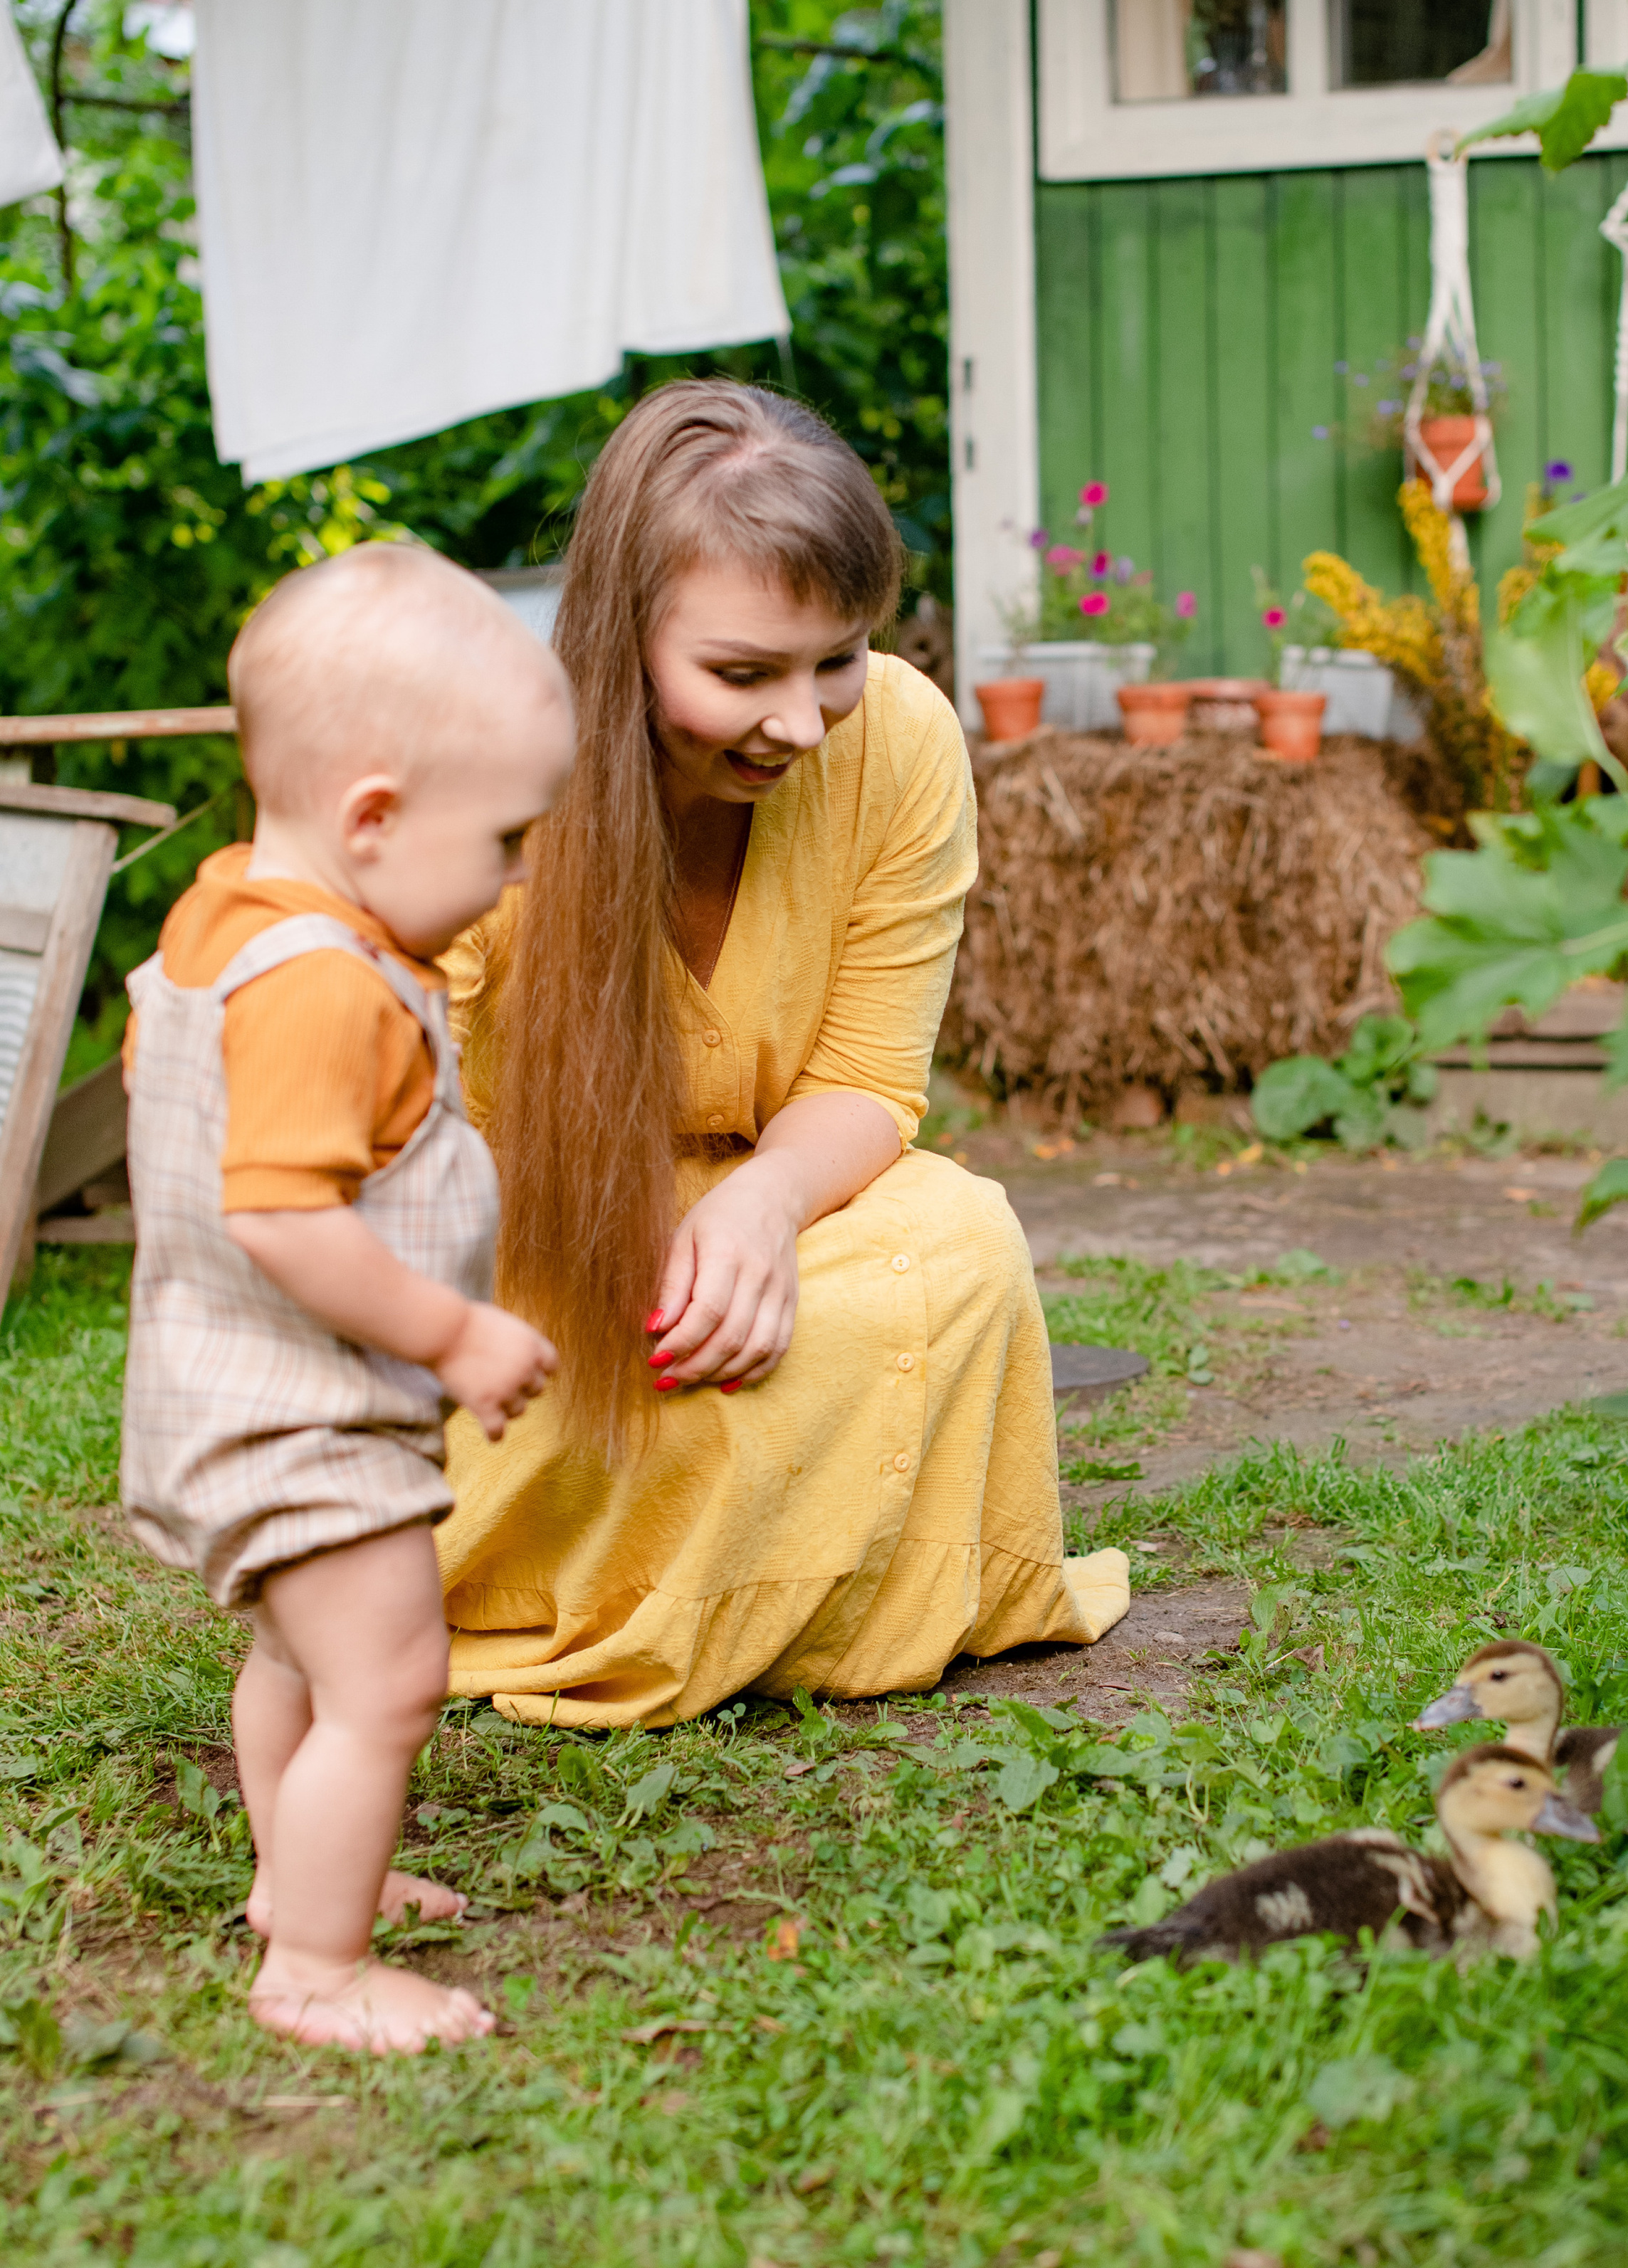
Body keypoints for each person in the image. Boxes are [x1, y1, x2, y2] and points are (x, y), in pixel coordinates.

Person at [437, 380, 1128, 1726]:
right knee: (579, 1367)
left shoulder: (907, 737)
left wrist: (759, 1206)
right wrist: (597, 1240)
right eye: (743, 674)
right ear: (622, 639)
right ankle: (704, 1569)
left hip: (783, 1199)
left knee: (965, 1240)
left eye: (839, 661)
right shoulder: (488, 766)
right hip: (507, 1248)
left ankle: (725, 1564)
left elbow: (870, 1079)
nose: (803, 722)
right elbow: (394, 1115)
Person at [120, 543, 574, 2055]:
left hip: (223, 1385)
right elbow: (276, 1209)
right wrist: (453, 1330)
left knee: (300, 1659)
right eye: (505, 838)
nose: (514, 874)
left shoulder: (227, 917)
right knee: (389, 1675)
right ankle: (314, 1964)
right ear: (372, 818)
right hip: (294, 1405)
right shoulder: (324, 986)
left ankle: (300, 1873)